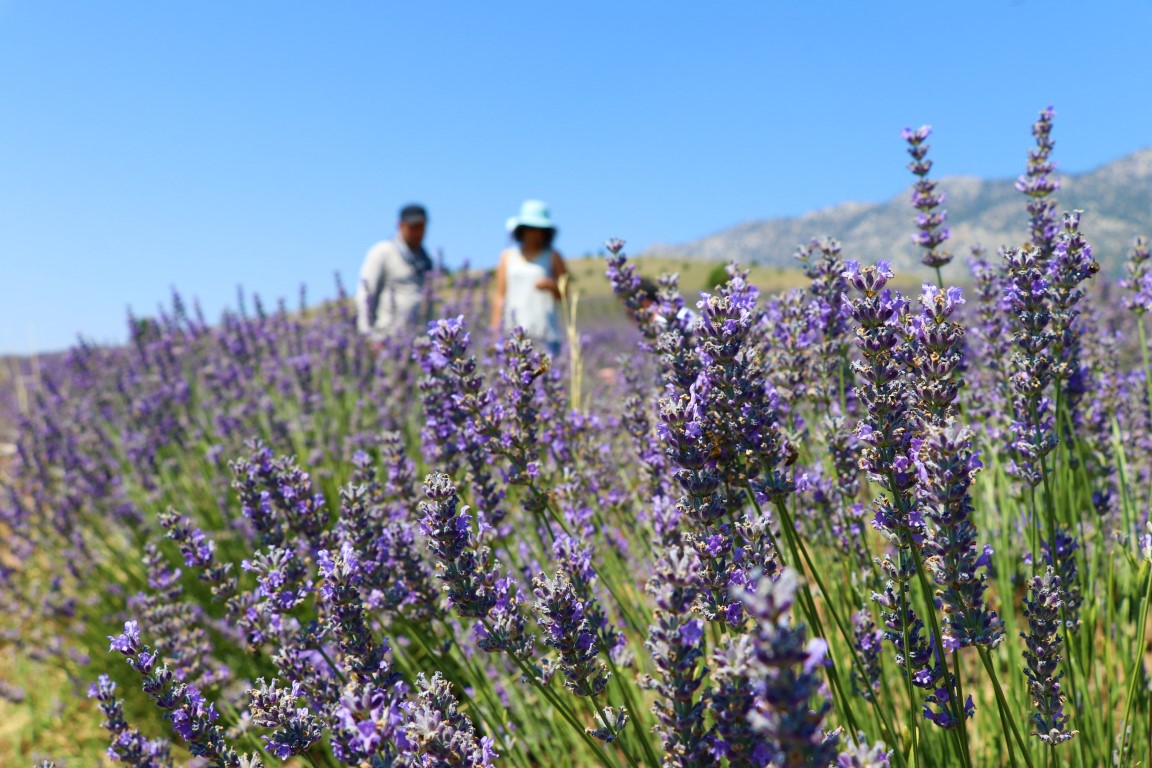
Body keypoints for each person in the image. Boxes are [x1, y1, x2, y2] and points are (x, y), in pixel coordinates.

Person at [491, 200, 568, 357]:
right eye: (530, 228)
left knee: (546, 377)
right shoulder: (507, 256)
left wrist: (551, 286)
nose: (534, 233)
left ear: (546, 232)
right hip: (512, 331)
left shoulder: (553, 256)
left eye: (539, 229)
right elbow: (500, 295)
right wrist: (494, 330)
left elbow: (566, 295)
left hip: (545, 332)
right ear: (522, 230)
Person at [355, 204, 434, 342]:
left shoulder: (426, 259)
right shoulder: (383, 252)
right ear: (400, 225)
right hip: (387, 339)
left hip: (419, 341)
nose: (417, 232)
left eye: (421, 227)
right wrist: (368, 336)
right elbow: (366, 293)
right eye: (413, 227)